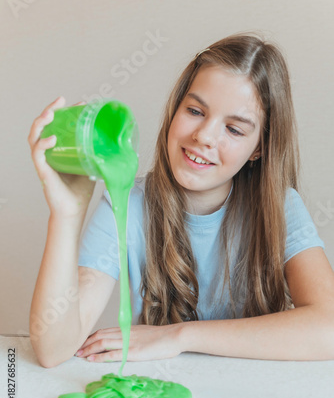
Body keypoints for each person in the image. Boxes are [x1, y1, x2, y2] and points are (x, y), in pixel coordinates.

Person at [28, 32, 334, 368]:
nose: (203, 136)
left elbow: (328, 328)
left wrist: (179, 336)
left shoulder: (281, 208)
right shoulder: (129, 205)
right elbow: (52, 348)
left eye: (234, 129)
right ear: (175, 110)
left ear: (258, 148)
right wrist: (65, 216)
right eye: (195, 110)